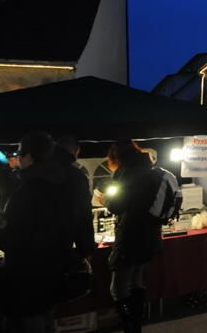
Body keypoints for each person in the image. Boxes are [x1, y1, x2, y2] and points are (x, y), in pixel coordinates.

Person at [0, 132, 87, 333]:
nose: (18, 158)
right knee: (45, 316)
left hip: (25, 272)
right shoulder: (65, 180)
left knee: (27, 321)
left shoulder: (27, 188)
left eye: (20, 154)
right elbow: (80, 218)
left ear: (30, 156)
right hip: (54, 265)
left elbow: (7, 237)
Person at [103, 140, 161, 333]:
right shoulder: (150, 169)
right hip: (150, 234)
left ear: (116, 157)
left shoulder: (126, 173)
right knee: (136, 281)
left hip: (130, 235)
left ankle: (131, 327)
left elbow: (116, 206)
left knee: (118, 289)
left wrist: (106, 199)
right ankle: (136, 325)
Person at [53, 136, 96, 263]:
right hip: (61, 241)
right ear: (75, 151)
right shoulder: (74, 175)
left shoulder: (38, 170)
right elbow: (83, 213)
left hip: (32, 245)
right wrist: (86, 248)